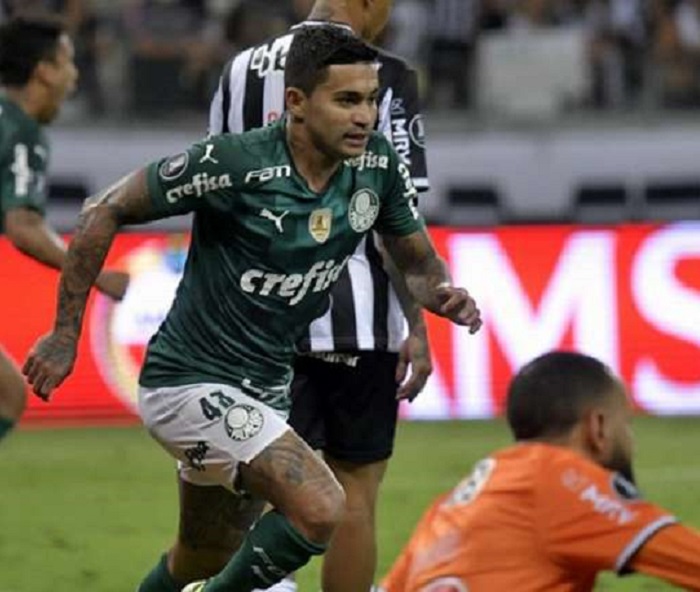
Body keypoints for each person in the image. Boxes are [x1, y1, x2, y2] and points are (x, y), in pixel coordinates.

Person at [22, 25, 482, 592]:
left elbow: (415, 261)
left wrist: (441, 292)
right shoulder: (235, 164)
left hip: (266, 390)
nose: (364, 117)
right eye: (346, 100)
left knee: (201, 555)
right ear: (297, 102)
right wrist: (64, 333)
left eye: (370, 100)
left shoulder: (376, 166)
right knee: (322, 505)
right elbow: (101, 210)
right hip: (188, 384)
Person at [208, 3, 433, 591]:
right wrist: (418, 325)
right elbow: (398, 220)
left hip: (258, 320)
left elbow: (218, 191)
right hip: (358, 321)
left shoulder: (240, 71)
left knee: (261, 489)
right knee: (354, 492)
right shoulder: (384, 74)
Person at [380, 351, 700, 592]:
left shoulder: (450, 506)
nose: (631, 441)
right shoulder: (564, 482)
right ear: (598, 426)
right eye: (625, 424)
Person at [0, 15, 127, 444]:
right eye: (69, 62)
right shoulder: (20, 131)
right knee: (6, 396)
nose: (74, 77)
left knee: (6, 394)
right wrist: (96, 274)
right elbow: (23, 225)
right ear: (45, 71)